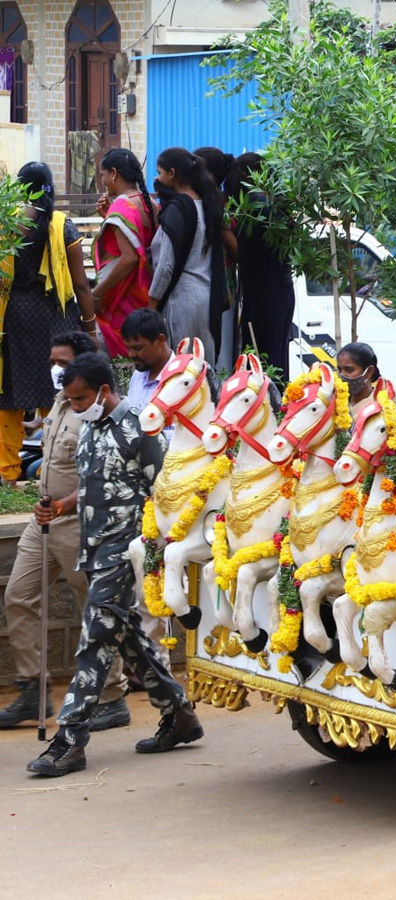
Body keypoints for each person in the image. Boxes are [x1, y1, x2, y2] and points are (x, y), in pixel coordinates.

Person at [26, 352, 202, 777]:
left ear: (105, 390)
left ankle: (70, 739)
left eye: (82, 398)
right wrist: (62, 507)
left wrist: (157, 554)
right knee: (123, 636)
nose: (76, 406)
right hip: (93, 548)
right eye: (70, 400)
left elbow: (166, 495)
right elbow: (95, 489)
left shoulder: (140, 429)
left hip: (126, 552)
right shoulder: (90, 428)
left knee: (95, 638)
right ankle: (179, 714)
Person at [0, 332, 129, 731]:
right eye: (53, 361)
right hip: (42, 520)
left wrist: (62, 505)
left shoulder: (96, 409)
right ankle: (33, 690)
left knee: (94, 607)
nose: (55, 369)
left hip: (79, 523)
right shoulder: (59, 401)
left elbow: (102, 474)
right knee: (18, 596)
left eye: (62, 361)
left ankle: (111, 696)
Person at [0, 162, 98, 483]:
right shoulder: (62, 225)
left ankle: (8, 472)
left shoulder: (8, 225)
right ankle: (50, 467)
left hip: (15, 317)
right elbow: (81, 284)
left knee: (12, 389)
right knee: (57, 387)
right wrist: (90, 325)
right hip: (56, 315)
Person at [149, 147, 226, 364]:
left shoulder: (178, 209)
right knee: (204, 370)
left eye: (160, 172)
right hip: (207, 298)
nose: (157, 178)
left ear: (172, 173)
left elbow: (165, 267)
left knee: (182, 372)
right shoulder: (207, 204)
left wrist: (152, 306)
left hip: (182, 300)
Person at [228, 152, 295, 378]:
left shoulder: (255, 208)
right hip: (279, 291)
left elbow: (242, 254)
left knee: (259, 361)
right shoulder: (275, 204)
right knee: (276, 358)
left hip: (263, 294)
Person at [91, 148, 156, 356]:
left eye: (103, 175)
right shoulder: (150, 204)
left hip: (122, 295)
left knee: (123, 355)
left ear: (114, 173)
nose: (102, 182)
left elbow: (129, 258)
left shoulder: (122, 206)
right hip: (145, 291)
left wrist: (97, 292)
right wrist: (108, 217)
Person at [337, 342, 383, 419]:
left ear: (369, 371)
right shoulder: (336, 403)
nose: (342, 375)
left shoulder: (382, 408)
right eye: (340, 370)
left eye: (349, 370)